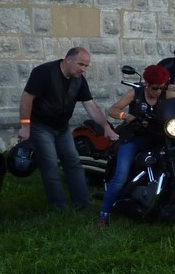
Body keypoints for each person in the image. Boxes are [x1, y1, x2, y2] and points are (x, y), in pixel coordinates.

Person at [97, 64, 175, 228]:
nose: (158, 91)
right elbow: (113, 109)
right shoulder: (135, 93)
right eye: (155, 88)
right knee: (121, 175)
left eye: (161, 87)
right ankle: (104, 214)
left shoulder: (165, 94)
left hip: (158, 136)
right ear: (147, 84)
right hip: (134, 137)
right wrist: (125, 116)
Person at [17, 47, 118, 211]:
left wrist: (106, 127)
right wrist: (25, 126)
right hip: (40, 126)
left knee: (74, 163)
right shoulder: (44, 72)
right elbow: (27, 98)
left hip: (62, 127)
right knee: (50, 164)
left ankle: (83, 203)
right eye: (81, 64)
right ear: (68, 59)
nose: (83, 69)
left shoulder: (79, 80)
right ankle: (59, 206)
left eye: (86, 66)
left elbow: (90, 105)